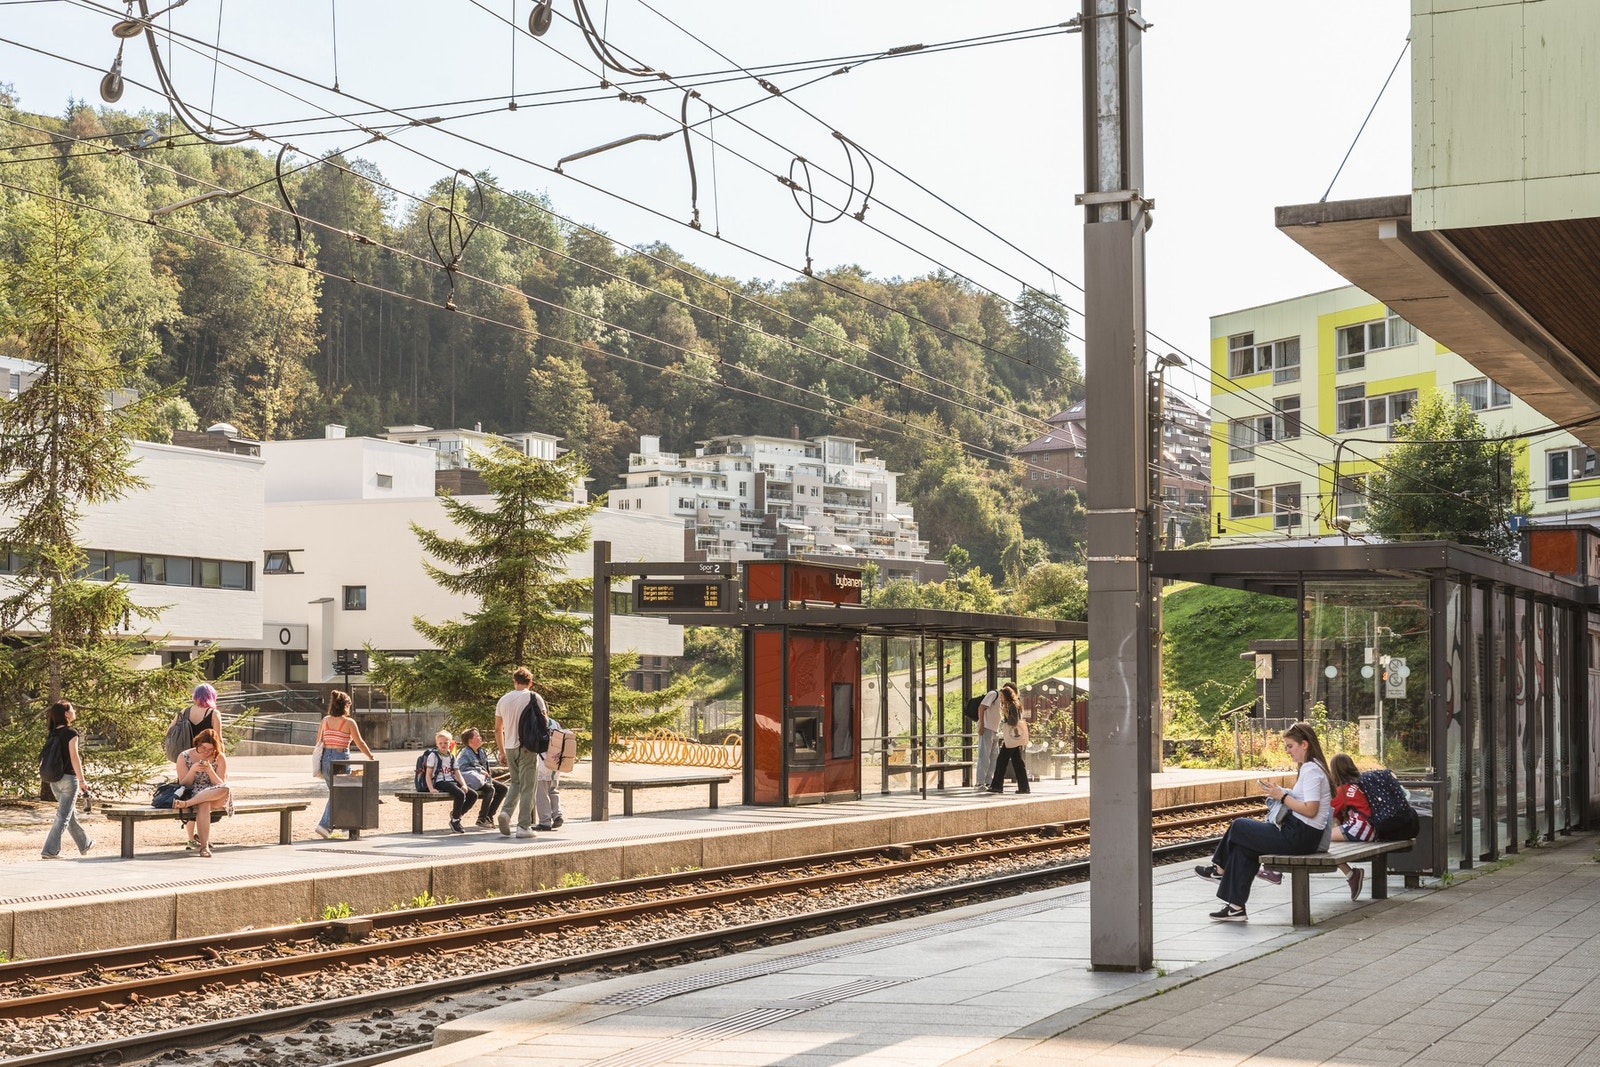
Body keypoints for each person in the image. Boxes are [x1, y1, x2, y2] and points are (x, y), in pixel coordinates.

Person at [1196, 721, 1332, 921]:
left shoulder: (1311, 770)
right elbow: (1305, 801)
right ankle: (1236, 908)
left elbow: (1311, 810)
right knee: (1244, 847)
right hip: (1302, 834)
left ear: (1305, 744)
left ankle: (1219, 869)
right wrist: (1283, 792)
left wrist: (1282, 797)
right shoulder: (1311, 767)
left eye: (1290, 746)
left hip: (1300, 835)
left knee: (1239, 826)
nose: (1287, 751)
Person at [313, 690, 374, 840]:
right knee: (340, 793)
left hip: (325, 758)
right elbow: (360, 743)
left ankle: (346, 827)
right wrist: (370, 756)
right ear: (345, 706)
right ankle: (325, 825)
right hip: (341, 758)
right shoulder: (348, 722)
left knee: (340, 792)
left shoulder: (325, 720)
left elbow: (318, 742)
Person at [493, 666, 544, 839]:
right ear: (530, 682)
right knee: (528, 786)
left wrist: (501, 752)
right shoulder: (534, 697)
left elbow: (497, 729)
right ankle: (523, 826)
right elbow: (543, 721)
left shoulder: (503, 700)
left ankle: (506, 813)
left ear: (514, 682)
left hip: (509, 747)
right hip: (527, 747)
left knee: (515, 783)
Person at [40, 700, 95, 860]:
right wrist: (82, 781)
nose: (74, 711)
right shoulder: (71, 733)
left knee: (68, 815)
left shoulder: (53, 733)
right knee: (63, 816)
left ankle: (85, 843)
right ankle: (49, 850)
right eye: (71, 709)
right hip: (69, 780)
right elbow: (74, 757)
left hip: (54, 781)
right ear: (66, 714)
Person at [172, 728, 231, 857]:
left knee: (225, 788)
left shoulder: (219, 757)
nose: (205, 752)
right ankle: (204, 847)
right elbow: (183, 784)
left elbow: (220, 783)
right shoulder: (184, 756)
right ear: (197, 744)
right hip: (193, 792)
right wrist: (193, 770)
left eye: (210, 750)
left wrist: (210, 771)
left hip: (215, 793)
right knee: (204, 804)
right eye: (203, 748)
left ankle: (187, 804)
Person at [1329, 752, 1375, 900]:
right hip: (1374, 829)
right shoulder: (1361, 784)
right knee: (1332, 828)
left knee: (1320, 839)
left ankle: (1351, 874)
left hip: (1360, 828)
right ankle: (1351, 875)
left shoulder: (1342, 790)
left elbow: (1326, 812)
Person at [422, 729, 472, 833]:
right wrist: (431, 788)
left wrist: (464, 785)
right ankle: (455, 821)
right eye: (440, 743)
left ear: (450, 743)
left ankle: (457, 814)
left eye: (445, 742)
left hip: (451, 780)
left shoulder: (451, 756)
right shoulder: (433, 756)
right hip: (441, 781)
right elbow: (428, 774)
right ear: (437, 744)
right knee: (460, 794)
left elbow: (457, 773)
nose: (443, 745)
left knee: (473, 794)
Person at [457, 726, 506, 828]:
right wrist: (480, 771)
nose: (480, 738)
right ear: (470, 741)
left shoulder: (481, 751)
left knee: (503, 789)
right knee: (490, 789)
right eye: (477, 736)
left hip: (484, 780)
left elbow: (486, 768)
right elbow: (462, 769)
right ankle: (481, 819)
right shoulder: (465, 753)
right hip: (473, 780)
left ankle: (489, 816)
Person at [987, 684, 1031, 795]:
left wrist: (1005, 712)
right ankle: (1024, 787)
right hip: (1014, 738)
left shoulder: (1012, 705)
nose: (1000, 698)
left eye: (1001, 696)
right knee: (1018, 763)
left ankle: (997, 786)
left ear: (1006, 696)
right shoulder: (1014, 704)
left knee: (1001, 760)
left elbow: (1013, 722)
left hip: (1012, 738)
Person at [534, 714, 567, 831]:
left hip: (542, 761)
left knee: (541, 792)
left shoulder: (536, 723)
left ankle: (545, 821)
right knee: (553, 790)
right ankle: (557, 814)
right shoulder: (555, 723)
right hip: (556, 761)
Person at [178, 683, 225, 754]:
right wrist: (222, 758)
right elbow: (218, 739)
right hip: (206, 755)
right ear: (212, 697)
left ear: (195, 696)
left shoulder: (184, 711)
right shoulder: (214, 713)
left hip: (186, 755)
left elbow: (170, 730)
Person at [973, 686, 1002, 791]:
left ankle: (988, 781)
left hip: (995, 729)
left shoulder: (1002, 700)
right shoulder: (994, 694)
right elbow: (981, 707)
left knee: (993, 757)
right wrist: (981, 725)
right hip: (986, 728)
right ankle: (979, 783)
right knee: (984, 756)